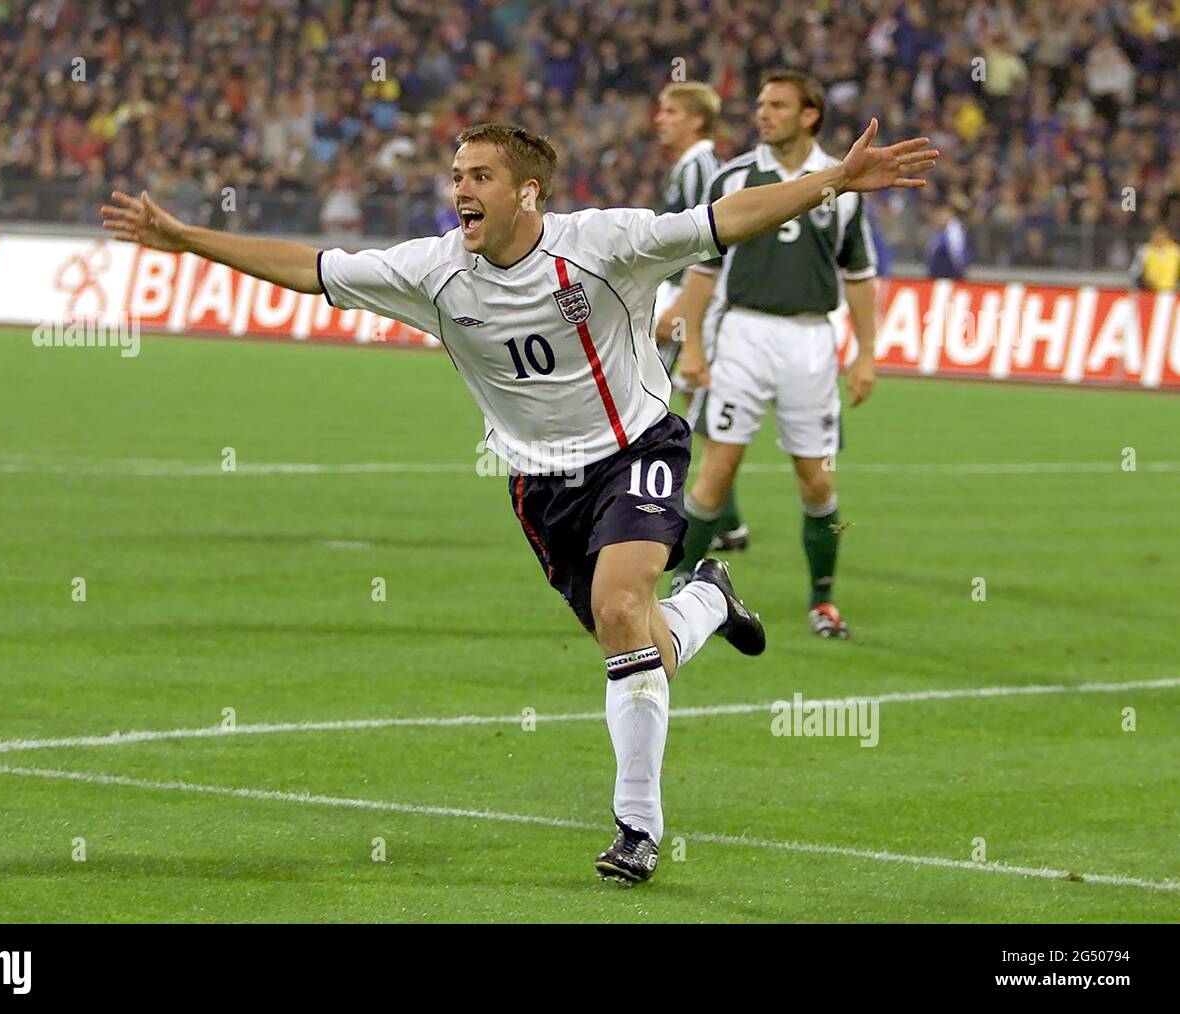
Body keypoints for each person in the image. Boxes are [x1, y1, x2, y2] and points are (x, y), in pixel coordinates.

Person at [101, 118, 936, 884]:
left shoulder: (606, 244)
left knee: (619, 610)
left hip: (637, 449)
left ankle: (637, 829)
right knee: (644, 646)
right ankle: (709, 600)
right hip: (542, 488)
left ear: (526, 192)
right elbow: (309, 268)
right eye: (456, 174)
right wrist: (184, 240)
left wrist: (834, 181)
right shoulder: (431, 271)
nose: (459, 189)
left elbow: (725, 217)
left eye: (479, 176)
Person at [668, 70, 882, 640]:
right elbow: (702, 268)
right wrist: (692, 344)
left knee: (816, 480)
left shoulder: (842, 183)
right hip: (743, 333)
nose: (764, 113)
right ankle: (683, 589)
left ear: (810, 114)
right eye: (762, 104)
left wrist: (866, 354)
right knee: (717, 468)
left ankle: (823, 602)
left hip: (811, 340)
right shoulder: (735, 176)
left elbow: (858, 276)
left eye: (778, 105)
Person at [651, 81, 748, 553]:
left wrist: (682, 310)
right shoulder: (693, 166)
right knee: (692, 405)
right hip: (690, 302)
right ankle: (726, 523)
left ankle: (644, 508)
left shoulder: (699, 169)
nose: (660, 119)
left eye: (670, 111)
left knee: (653, 400)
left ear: (695, 121)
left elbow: (701, 250)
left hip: (696, 305)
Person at [1129, 222, 1180, 293]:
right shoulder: (1144, 250)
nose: (1159, 237)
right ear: (1152, 234)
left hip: (1170, 291)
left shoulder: (1176, 250)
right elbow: (1135, 272)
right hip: (1149, 291)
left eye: (1162, 234)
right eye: (1157, 234)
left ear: (1168, 235)